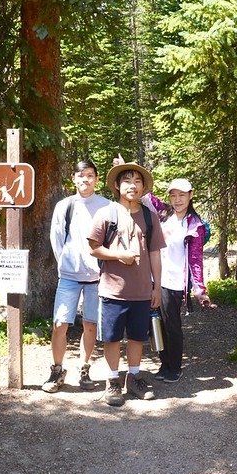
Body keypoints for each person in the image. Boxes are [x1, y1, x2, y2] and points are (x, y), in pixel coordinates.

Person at [88, 161, 166, 406]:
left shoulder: (149, 216)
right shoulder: (106, 213)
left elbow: (155, 253)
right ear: (117, 185)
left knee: (136, 338)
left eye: (137, 181)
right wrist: (118, 255)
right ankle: (112, 381)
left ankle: (133, 378)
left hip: (142, 291)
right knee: (111, 338)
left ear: (143, 187)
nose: (132, 186)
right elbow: (94, 248)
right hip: (112, 290)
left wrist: (157, 287)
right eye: (127, 181)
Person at [42, 160, 110, 393]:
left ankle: (85, 368)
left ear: (97, 179)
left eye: (90, 175)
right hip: (69, 277)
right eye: (81, 176)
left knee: (90, 325)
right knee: (60, 324)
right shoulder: (65, 205)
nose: (85, 180)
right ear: (74, 178)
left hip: (97, 277)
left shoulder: (106, 205)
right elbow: (56, 238)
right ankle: (57, 370)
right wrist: (66, 263)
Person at [142, 177, 215, 383]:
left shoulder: (195, 225)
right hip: (154, 278)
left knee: (171, 324)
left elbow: (195, 259)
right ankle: (164, 364)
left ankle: (174, 367)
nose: (177, 199)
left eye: (182, 195)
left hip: (173, 281)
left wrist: (200, 289)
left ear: (190, 195)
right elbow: (146, 196)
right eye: (173, 195)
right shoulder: (164, 214)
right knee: (155, 323)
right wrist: (127, 166)